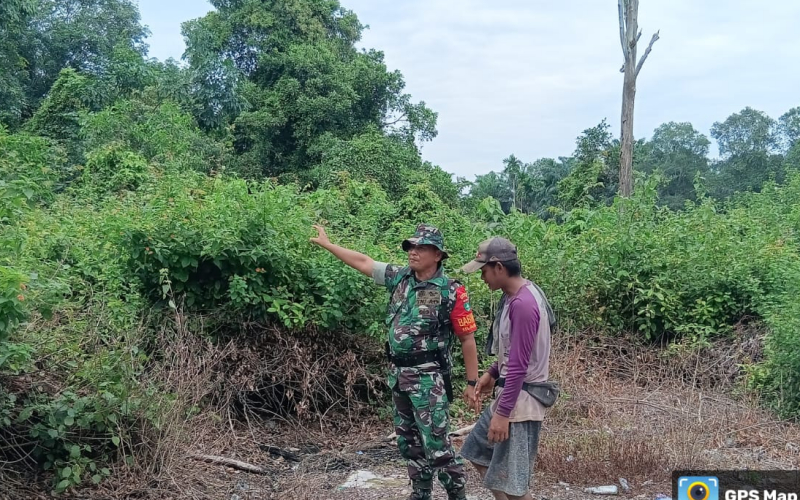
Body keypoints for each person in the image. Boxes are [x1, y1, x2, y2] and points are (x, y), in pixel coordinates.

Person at [310, 223, 480, 500]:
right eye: (411, 246)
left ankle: (456, 495)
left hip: (428, 379)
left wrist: (472, 383)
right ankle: (421, 493)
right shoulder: (399, 278)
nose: (413, 252)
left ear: (438, 255)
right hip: (399, 375)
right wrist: (329, 245)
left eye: (421, 248)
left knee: (437, 445)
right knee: (408, 442)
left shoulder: (451, 291)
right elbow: (364, 262)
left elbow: (467, 339)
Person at [458, 237, 553, 500]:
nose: (482, 278)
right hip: (511, 396)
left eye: (484, 271)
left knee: (514, 486)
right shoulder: (515, 297)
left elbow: (520, 366)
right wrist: (492, 373)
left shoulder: (523, 304)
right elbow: (515, 351)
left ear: (499, 267)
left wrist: (502, 414)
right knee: (477, 451)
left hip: (520, 403)